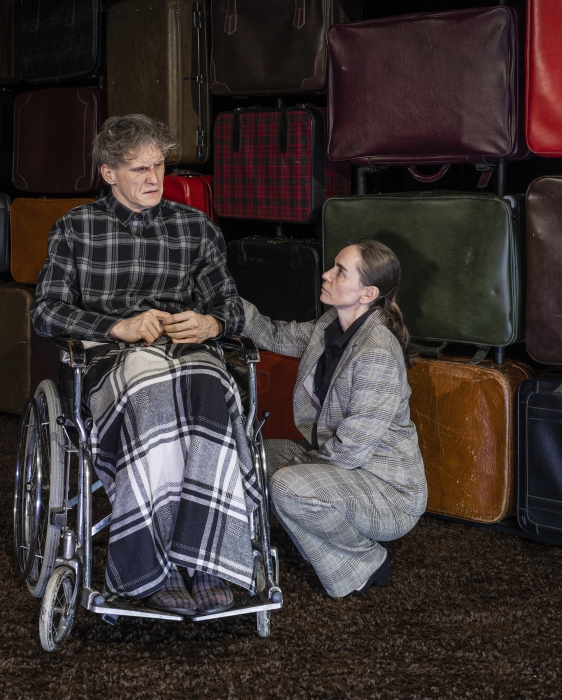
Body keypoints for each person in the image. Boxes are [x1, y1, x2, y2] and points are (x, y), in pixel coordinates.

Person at [30, 114, 257, 616]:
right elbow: (45, 311)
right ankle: (157, 564)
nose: (155, 178)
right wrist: (117, 327)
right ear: (109, 173)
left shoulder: (196, 228)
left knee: (211, 390)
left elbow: (232, 307)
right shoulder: (76, 228)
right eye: (140, 169)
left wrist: (211, 324)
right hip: (114, 360)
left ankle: (204, 557)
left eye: (159, 166)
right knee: (149, 393)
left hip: (187, 354)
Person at [243, 239, 427, 598]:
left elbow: (352, 450)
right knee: (249, 456)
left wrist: (296, 468)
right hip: (337, 463)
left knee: (287, 486)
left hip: (387, 490)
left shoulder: (376, 352)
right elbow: (275, 334)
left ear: (368, 293)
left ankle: (366, 561)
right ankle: (246, 557)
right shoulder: (331, 325)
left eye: (340, 272)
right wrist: (222, 304)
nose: (326, 274)